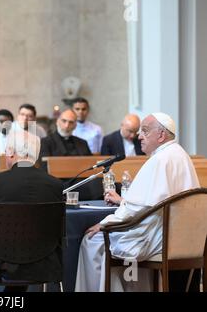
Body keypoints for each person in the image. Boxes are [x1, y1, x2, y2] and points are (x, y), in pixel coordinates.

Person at [75, 113, 200, 292]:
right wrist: (124, 201)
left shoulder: (159, 160)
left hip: (158, 238)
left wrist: (104, 223)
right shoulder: (180, 154)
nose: (139, 136)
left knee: (92, 240)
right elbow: (154, 202)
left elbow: (138, 209)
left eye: (145, 131)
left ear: (161, 135)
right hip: (181, 239)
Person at [0, 130, 64, 292]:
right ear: (35, 156)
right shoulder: (55, 185)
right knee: (22, 254)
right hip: (43, 260)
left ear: (10, 153)